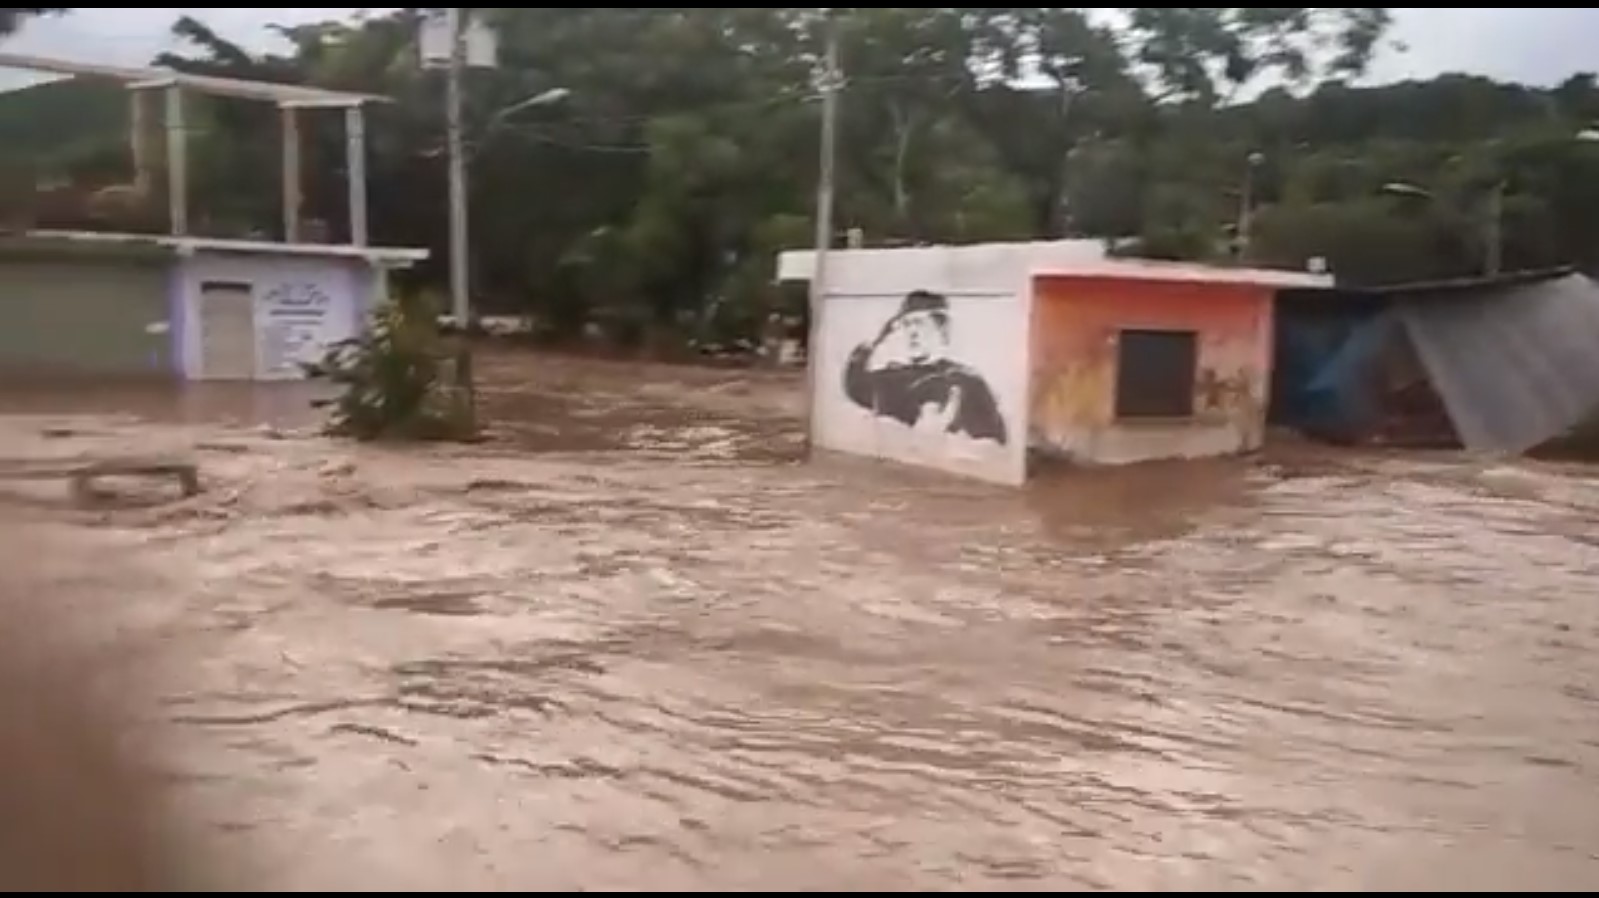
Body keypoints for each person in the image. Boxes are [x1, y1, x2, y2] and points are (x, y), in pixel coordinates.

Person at [842, 290, 1009, 445]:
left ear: (941, 328)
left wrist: (947, 441)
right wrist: (879, 337)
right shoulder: (890, 379)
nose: (912, 331)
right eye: (907, 324)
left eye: (920, 323)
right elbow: (854, 386)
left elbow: (994, 442)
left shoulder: (966, 382)